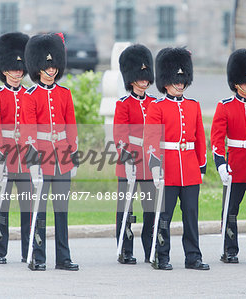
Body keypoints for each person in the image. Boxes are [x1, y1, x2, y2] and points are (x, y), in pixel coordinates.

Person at [145, 47, 209, 271]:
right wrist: (155, 167)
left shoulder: (193, 106)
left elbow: (200, 137)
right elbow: (151, 139)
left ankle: (193, 256)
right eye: (175, 80)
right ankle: (161, 255)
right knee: (164, 216)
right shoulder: (157, 107)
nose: (180, 84)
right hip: (168, 168)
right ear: (165, 81)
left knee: (191, 216)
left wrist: (202, 165)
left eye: (182, 80)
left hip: (189, 167)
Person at [21, 33, 79, 271]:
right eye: (46, 66)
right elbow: (28, 132)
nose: (51, 69)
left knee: (62, 211)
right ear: (38, 68)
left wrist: (73, 157)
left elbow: (71, 127)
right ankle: (38, 255)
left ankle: (63, 258)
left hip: (62, 158)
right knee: (40, 211)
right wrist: (33, 163)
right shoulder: (30, 96)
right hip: (42, 158)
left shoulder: (64, 93)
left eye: (54, 65)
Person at [211, 48, 246, 264]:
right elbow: (217, 139)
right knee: (231, 211)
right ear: (236, 82)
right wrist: (221, 164)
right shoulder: (225, 106)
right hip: (237, 166)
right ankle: (229, 249)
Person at [0, 32, 31, 264]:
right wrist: (0, 158)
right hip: (4, 159)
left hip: (26, 159)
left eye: (20, 69)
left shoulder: (29, 95)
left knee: (28, 208)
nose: (17, 73)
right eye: (13, 69)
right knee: (1, 207)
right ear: (4, 70)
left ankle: (28, 250)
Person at [113, 44, 156, 264]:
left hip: (150, 162)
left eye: (146, 76)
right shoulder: (123, 104)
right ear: (131, 79)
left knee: (150, 209)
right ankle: (125, 249)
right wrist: (128, 158)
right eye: (140, 77)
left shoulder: (155, 103)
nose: (144, 81)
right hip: (130, 161)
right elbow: (120, 135)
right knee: (126, 209)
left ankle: (150, 248)